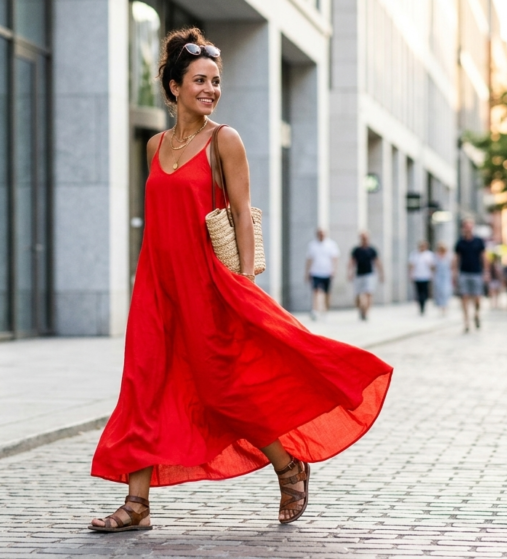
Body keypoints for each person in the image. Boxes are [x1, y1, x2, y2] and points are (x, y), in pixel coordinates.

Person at [88, 27, 393, 532]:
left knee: (225, 387)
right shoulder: (155, 146)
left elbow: (242, 213)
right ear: (173, 87)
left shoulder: (223, 140)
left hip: (208, 283)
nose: (211, 89)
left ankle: (288, 464)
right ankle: (136, 504)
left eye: (216, 81)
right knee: (142, 385)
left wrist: (245, 281)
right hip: (157, 286)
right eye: (200, 81)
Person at [453, 219, 488, 333]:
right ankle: (466, 322)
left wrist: (486, 271)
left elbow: (483, 257)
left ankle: (477, 314)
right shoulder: (460, 242)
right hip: (464, 273)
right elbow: (456, 258)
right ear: (463, 228)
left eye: (470, 226)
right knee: (464, 297)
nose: (468, 228)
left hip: (477, 273)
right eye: (466, 226)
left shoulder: (479, 241)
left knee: (477, 298)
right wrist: (454, 273)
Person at [305, 228, 340, 320]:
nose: (321, 235)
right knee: (316, 291)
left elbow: (335, 258)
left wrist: (334, 270)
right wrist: (307, 272)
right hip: (316, 272)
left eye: (323, 233)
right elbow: (309, 259)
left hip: (327, 272)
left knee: (327, 293)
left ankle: (325, 310)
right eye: (319, 233)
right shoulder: (312, 245)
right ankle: (315, 310)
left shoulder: (331, 244)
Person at [349, 232, 383, 320]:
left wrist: (381, 274)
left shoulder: (372, 250)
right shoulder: (356, 250)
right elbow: (352, 262)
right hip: (359, 275)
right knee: (358, 296)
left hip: (369, 275)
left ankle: (366, 312)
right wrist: (350, 272)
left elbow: (377, 262)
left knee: (368, 294)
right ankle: (361, 308)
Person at [408, 240, 435, 315]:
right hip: (417, 276)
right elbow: (411, 265)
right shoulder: (414, 254)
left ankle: (423, 305)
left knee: (425, 293)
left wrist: (430, 265)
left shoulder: (429, 255)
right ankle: (420, 306)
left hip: (426, 277)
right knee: (418, 293)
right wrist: (410, 274)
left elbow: (433, 266)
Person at [433, 242, 453, 317]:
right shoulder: (436, 256)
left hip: (446, 276)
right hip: (438, 276)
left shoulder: (449, 256)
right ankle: (441, 307)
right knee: (439, 291)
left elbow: (452, 266)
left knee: (446, 291)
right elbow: (433, 266)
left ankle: (445, 306)